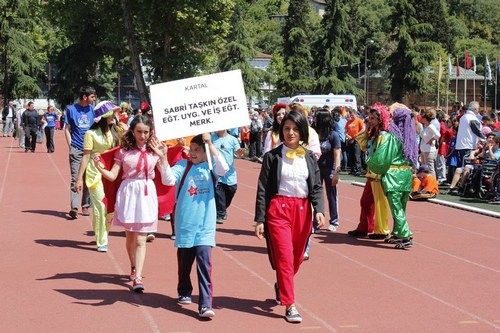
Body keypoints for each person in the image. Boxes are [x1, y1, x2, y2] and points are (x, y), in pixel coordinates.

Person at [254, 110, 326, 323]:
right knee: (285, 257)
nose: (290, 132)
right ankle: (290, 305)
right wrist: (259, 219)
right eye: (286, 128)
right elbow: (262, 189)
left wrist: (319, 209)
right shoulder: (272, 157)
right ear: (281, 131)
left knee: (296, 259)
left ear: (302, 131)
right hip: (278, 210)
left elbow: (316, 187)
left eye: (295, 129)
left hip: (303, 212)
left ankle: (282, 284)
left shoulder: (310, 157)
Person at [95, 115, 170, 292]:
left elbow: (167, 179)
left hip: (147, 192)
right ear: (133, 131)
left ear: (151, 132)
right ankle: (133, 266)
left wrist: (163, 156)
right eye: (139, 132)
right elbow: (113, 176)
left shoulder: (155, 151)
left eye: (146, 132)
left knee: (142, 238)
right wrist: (99, 167)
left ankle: (138, 277)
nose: (143, 136)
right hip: (129, 192)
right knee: (130, 236)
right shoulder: (123, 151)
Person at [161, 133, 229, 319]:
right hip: (185, 224)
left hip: (205, 226)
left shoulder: (211, 168)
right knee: (185, 263)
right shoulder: (183, 165)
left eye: (197, 150)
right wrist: (162, 158)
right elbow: (167, 180)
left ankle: (205, 304)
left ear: (206, 152)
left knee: (204, 263)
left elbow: (224, 168)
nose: (192, 153)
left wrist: (210, 144)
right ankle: (184, 289)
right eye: (191, 150)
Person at [368, 104, 418, 249]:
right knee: (401, 206)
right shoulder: (410, 137)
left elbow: (382, 156)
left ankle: (405, 235)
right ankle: (397, 232)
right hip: (406, 174)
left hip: (393, 175)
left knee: (396, 207)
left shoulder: (391, 136)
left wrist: (371, 163)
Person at [75, 101, 122, 252]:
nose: (114, 115)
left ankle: (101, 231)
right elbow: (85, 156)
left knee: (110, 206)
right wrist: (78, 178)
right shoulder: (90, 134)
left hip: (111, 173)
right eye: (112, 113)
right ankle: (102, 240)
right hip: (94, 173)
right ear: (104, 116)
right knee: (101, 205)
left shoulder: (116, 131)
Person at [348, 103, 391, 239]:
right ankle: (364, 227)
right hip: (371, 173)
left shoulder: (384, 135)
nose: (370, 120)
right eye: (369, 117)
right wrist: (366, 128)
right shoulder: (372, 133)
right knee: (366, 201)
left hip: (379, 173)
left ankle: (381, 230)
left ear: (381, 119)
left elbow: (383, 156)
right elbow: (363, 145)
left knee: (380, 203)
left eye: (373, 118)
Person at [65, 86, 96, 219]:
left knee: (88, 178)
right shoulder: (71, 110)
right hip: (76, 148)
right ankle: (74, 207)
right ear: (85, 97)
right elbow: (67, 128)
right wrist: (71, 145)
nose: (94, 99)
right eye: (92, 96)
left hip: (90, 149)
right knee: (75, 178)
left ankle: (85, 205)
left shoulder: (92, 109)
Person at [312, 108, 341, 232]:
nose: (314, 119)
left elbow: (337, 155)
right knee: (315, 196)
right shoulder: (313, 134)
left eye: (316, 118)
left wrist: (336, 173)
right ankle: (316, 222)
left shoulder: (333, 135)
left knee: (331, 195)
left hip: (329, 169)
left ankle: (334, 220)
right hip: (316, 170)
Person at [211, 129, 244, 224]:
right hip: (216, 172)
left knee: (231, 190)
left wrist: (240, 153)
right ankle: (220, 214)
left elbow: (239, 153)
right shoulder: (211, 138)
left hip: (230, 173)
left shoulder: (232, 139)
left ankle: (222, 208)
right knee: (219, 192)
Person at [455, 101, 485, 167]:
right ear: (475, 109)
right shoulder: (472, 118)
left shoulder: (463, 117)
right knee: (467, 167)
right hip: (468, 146)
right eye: (478, 109)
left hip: (460, 145)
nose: (479, 111)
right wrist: (485, 140)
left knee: (461, 166)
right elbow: (477, 131)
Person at [419, 109, 440, 179]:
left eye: (423, 118)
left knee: (430, 168)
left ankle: (433, 184)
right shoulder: (425, 127)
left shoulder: (431, 126)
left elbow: (438, 135)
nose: (421, 119)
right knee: (424, 169)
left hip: (429, 150)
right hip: (424, 150)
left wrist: (431, 140)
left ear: (426, 119)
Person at [345, 109, 365, 176]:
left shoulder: (359, 120)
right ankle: (352, 169)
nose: (351, 116)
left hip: (357, 140)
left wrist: (357, 134)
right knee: (351, 156)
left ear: (355, 114)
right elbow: (345, 131)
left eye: (352, 115)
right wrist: (348, 136)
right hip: (350, 140)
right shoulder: (348, 122)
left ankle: (358, 170)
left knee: (357, 155)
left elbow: (363, 129)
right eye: (350, 115)